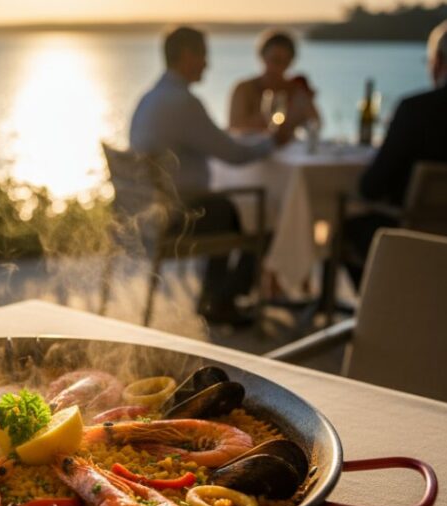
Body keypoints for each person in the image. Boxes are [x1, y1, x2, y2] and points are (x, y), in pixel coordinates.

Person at [129, 26, 301, 326]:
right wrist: (274, 140)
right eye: (204, 56)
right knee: (266, 212)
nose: (208, 64)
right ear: (187, 56)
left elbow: (212, 141)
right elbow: (234, 155)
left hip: (150, 214)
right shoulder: (183, 102)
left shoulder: (150, 98)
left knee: (228, 207)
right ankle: (223, 300)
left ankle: (214, 298)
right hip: (178, 218)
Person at [344, 17, 447, 288]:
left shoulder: (416, 110)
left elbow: (371, 187)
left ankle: (379, 312)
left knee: (345, 226)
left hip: (412, 236)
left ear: (439, 60)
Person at [229, 31, 320, 133]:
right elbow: (234, 127)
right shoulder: (244, 88)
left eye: (285, 61)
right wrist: (271, 114)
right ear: (262, 56)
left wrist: (307, 101)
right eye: (275, 60)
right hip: (248, 147)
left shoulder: (295, 89)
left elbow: (316, 124)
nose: (279, 67)